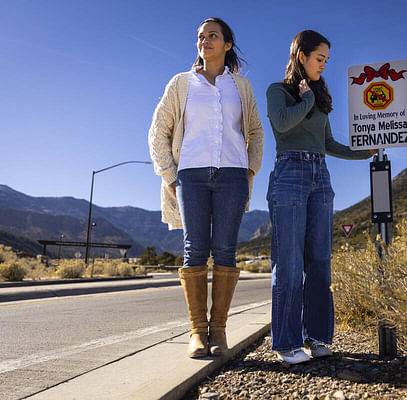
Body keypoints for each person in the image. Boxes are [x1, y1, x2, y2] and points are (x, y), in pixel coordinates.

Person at [148, 17, 264, 358]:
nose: (205, 41)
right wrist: (170, 175)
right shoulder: (181, 84)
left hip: (232, 175)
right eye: (200, 36)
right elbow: (158, 132)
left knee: (225, 251)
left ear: (227, 44)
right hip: (191, 176)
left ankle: (220, 332)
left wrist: (250, 171)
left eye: (212, 36)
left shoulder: (240, 87)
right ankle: (198, 332)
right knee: (195, 250)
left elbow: (255, 131)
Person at [266, 30, 375, 364]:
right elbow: (283, 125)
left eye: (327, 60)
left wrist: (364, 152)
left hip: (320, 176)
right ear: (302, 56)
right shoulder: (278, 91)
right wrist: (307, 100)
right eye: (319, 59)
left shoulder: (318, 96)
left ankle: (317, 338)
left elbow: (328, 144)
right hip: (289, 174)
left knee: (319, 260)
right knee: (289, 263)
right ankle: (287, 343)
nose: (323, 66)